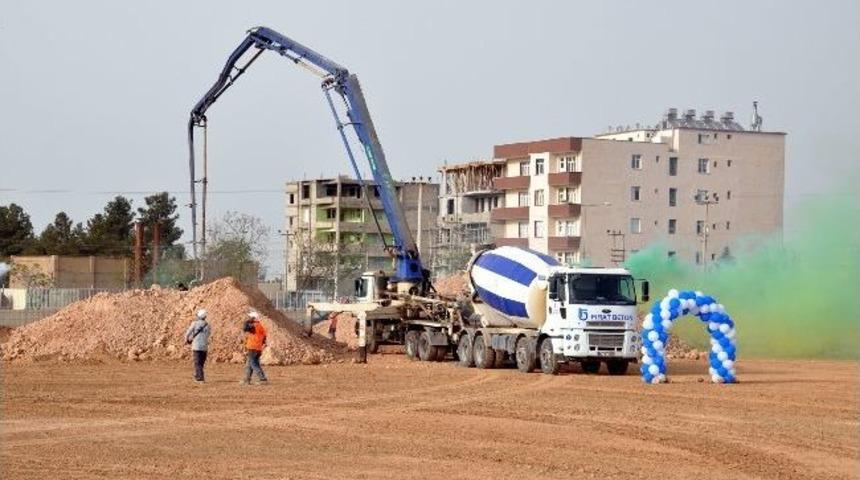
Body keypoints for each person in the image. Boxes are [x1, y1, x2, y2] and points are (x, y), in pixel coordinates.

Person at [184, 309, 211, 383]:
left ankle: (200, 379)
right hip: (204, 346)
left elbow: (188, 333)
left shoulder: (194, 323)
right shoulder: (208, 325)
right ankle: (197, 376)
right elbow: (208, 334)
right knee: (201, 363)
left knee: (197, 363)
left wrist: (186, 340)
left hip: (196, 346)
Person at [241, 311, 268, 385]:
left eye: (250, 317)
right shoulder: (260, 326)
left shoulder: (254, 325)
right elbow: (264, 337)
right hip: (258, 348)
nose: (249, 318)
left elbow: (244, 328)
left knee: (253, 363)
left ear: (254, 318)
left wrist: (247, 321)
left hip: (253, 347)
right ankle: (247, 379)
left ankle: (262, 379)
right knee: (249, 364)